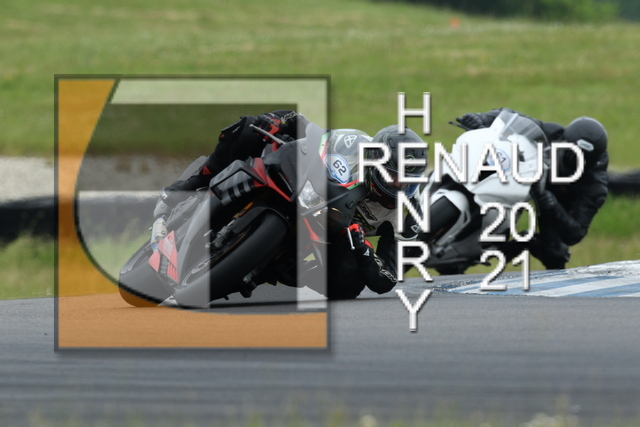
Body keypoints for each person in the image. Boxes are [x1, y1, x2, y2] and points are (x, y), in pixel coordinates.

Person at [153, 110, 427, 298]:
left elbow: (388, 279)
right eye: (393, 176)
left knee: (348, 286)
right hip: (306, 190)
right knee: (250, 128)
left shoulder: (408, 214)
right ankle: (188, 186)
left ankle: (271, 269)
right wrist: (278, 121)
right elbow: (312, 131)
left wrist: (364, 249)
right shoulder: (354, 144)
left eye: (409, 182)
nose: (399, 187)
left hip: (334, 234)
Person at [456, 108, 609, 269]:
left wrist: (553, 206)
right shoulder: (555, 134)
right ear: (564, 140)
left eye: (580, 160)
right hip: (531, 174)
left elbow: (575, 233)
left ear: (591, 162)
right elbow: (512, 117)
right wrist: (481, 119)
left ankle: (490, 252)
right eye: (570, 153)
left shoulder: (595, 185)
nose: (572, 160)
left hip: (554, 205)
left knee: (555, 253)